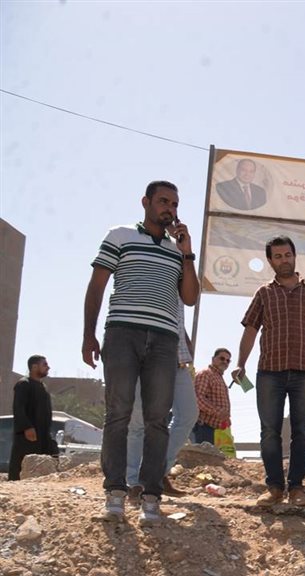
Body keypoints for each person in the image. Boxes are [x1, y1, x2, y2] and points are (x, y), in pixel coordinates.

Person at [83, 180, 200, 522]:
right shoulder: (120, 236)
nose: (170, 209)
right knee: (118, 414)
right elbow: (96, 286)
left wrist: (187, 253)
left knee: (158, 419)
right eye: (163, 201)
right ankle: (115, 494)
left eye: (174, 204)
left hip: (164, 341)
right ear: (146, 202)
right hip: (122, 334)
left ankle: (150, 497)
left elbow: (190, 298)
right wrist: (89, 335)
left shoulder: (177, 250)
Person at [232, 235, 305, 507]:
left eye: (287, 255)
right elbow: (250, 330)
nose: (284, 260)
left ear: (294, 256)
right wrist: (241, 362)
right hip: (270, 372)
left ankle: (297, 488)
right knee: (269, 432)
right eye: (278, 256)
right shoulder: (264, 293)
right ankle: (274, 487)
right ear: (270, 261)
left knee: (302, 431)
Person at [125, 303, 196, 500]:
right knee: (138, 421)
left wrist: (187, 345)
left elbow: (178, 320)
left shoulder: (181, 286)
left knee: (188, 414)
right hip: (146, 355)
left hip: (178, 360)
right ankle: (133, 481)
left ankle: (156, 473)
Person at [8, 355, 57, 480]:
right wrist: (27, 427)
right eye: (44, 365)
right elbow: (18, 408)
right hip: (28, 435)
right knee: (22, 467)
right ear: (34, 367)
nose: (48, 367)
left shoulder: (42, 387)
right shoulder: (24, 384)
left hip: (43, 435)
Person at [192, 349, 232, 446]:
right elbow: (197, 398)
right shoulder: (206, 374)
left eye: (228, 360)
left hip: (217, 431)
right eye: (222, 358)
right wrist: (218, 412)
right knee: (204, 455)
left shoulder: (218, 377)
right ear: (213, 359)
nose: (225, 362)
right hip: (204, 428)